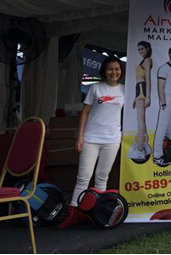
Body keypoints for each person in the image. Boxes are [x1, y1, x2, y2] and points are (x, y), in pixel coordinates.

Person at [58, 56, 125, 229]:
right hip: (92, 138)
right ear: (104, 71)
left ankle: (94, 213)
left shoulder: (125, 91)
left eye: (117, 69)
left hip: (112, 139)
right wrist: (80, 137)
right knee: (83, 177)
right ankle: (73, 213)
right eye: (110, 69)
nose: (114, 72)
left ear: (121, 71)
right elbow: (85, 113)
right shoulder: (95, 88)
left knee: (102, 178)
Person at [127, 41, 152, 160]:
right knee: (141, 120)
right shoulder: (144, 61)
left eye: (142, 49)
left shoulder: (147, 60)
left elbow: (148, 78)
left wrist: (147, 96)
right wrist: (135, 97)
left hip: (142, 91)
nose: (140, 51)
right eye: (139, 49)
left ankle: (140, 149)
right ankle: (142, 146)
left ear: (147, 49)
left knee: (140, 121)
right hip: (139, 92)